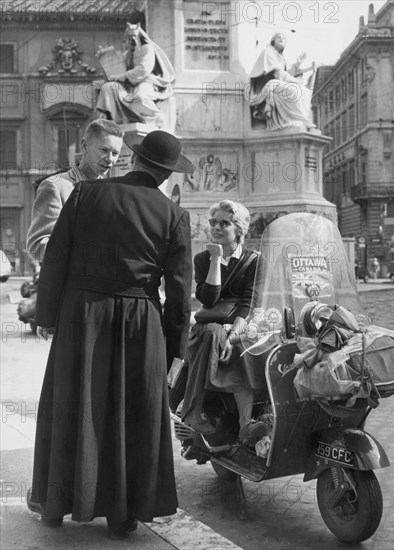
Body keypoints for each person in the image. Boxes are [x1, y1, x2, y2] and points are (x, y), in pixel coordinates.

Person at [26, 131, 194, 540]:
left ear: (134, 159)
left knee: (71, 402)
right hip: (140, 322)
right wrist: (175, 349)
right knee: (130, 413)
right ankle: (122, 515)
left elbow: (56, 262)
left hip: (82, 315)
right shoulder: (173, 215)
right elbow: (179, 293)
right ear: (167, 174)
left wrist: (47, 316)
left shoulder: (84, 194)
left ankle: (54, 505)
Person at [181, 200, 267, 446]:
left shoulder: (255, 260)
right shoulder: (202, 259)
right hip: (211, 323)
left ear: (239, 229)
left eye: (224, 223)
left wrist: (234, 335)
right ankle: (195, 411)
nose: (216, 228)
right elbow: (208, 299)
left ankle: (246, 424)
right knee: (211, 335)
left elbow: (249, 301)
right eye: (213, 223)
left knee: (249, 347)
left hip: (241, 323)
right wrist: (216, 261)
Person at [26, 119, 124, 263]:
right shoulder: (55, 186)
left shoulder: (114, 192)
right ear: (84, 146)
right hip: (71, 283)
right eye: (104, 150)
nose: (110, 159)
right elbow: (37, 247)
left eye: (115, 153)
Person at [96, 23, 175, 125]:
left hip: (146, 81)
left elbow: (144, 69)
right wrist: (104, 60)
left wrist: (123, 76)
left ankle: (155, 117)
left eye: (134, 36)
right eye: (129, 37)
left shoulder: (147, 48)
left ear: (139, 36)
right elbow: (114, 73)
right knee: (108, 87)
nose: (132, 40)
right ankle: (113, 120)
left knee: (139, 97)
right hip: (128, 85)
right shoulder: (126, 55)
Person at [245, 32, 316, 130]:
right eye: (279, 37)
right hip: (267, 85)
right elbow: (279, 74)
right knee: (293, 91)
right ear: (273, 41)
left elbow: (285, 74)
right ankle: (300, 120)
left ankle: (299, 120)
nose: (282, 39)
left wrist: (298, 64)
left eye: (284, 38)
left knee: (304, 91)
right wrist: (295, 81)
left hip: (276, 83)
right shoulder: (268, 52)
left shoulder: (280, 57)